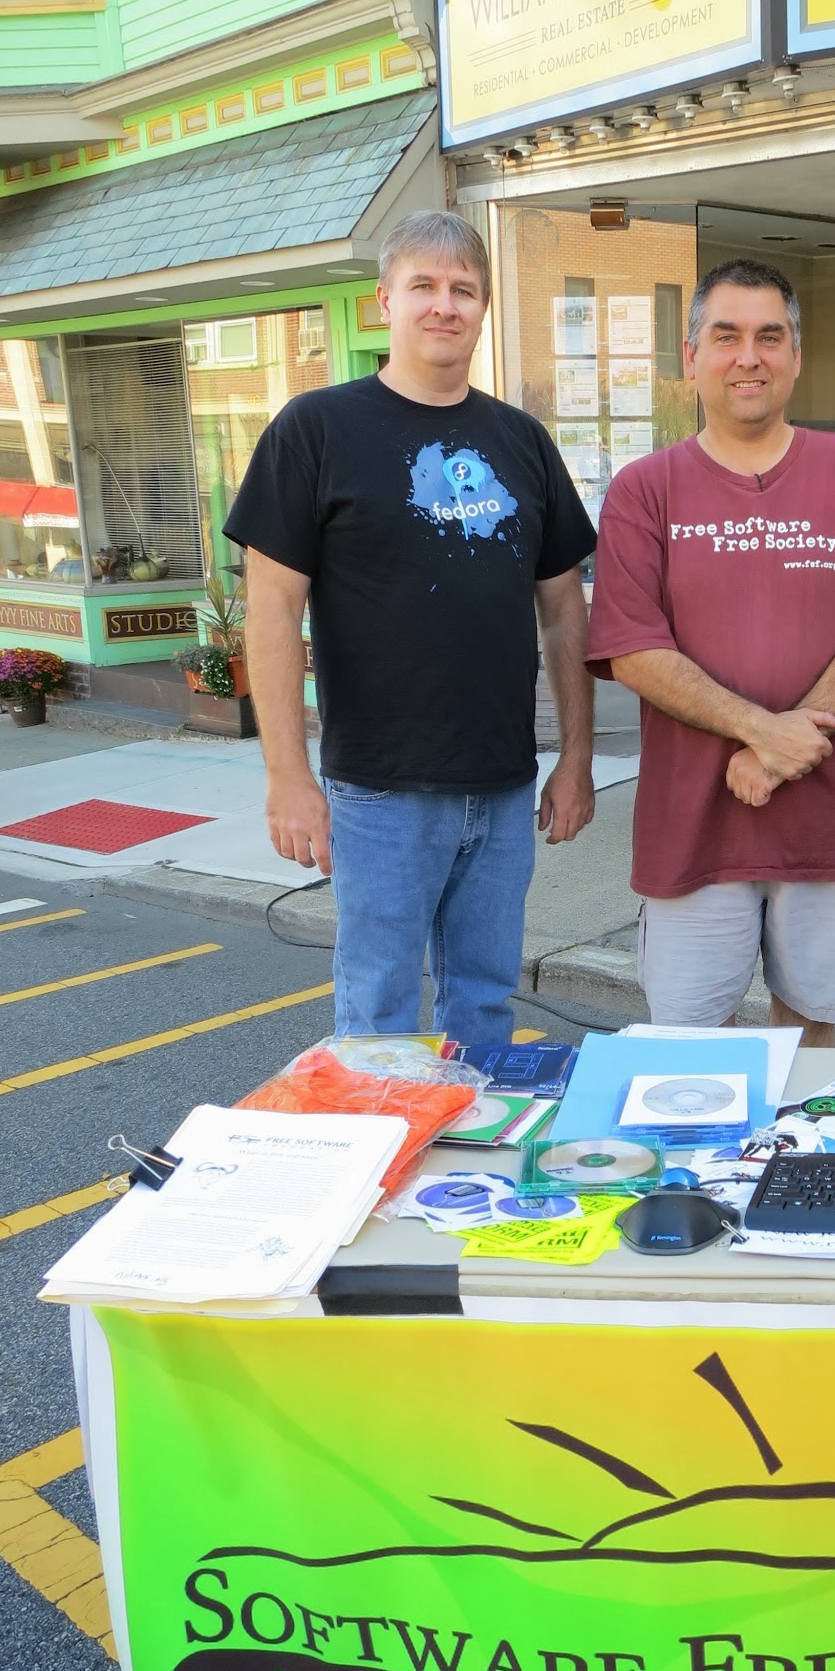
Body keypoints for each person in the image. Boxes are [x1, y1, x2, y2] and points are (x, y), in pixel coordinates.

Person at [229, 209, 597, 1045]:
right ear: (383, 301)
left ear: (483, 307)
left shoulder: (522, 441)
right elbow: (273, 612)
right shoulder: (314, 430)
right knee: (379, 1015)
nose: (444, 305)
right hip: (380, 793)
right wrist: (288, 777)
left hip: (503, 787)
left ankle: (469, 1178)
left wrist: (575, 758)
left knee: (484, 1008)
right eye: (423, 286)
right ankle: (383, 1170)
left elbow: (565, 609)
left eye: (463, 289)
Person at [586, 257, 835, 1046]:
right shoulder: (646, 488)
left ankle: (798, 1171)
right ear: (692, 357)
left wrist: (781, 752)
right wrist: (762, 730)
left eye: (770, 336)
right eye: (728, 336)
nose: (750, 356)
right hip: (694, 822)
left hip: (829, 820)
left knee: (814, 1035)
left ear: (796, 355)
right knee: (688, 1041)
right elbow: (634, 647)